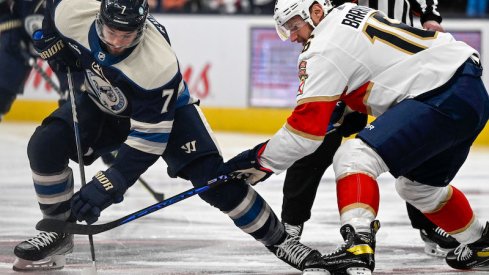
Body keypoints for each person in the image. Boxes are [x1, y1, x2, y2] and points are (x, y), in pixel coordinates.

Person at [11, 0, 334, 273]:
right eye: (111, 32)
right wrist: (49, 41)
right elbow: (50, 16)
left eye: (128, 35)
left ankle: (281, 241)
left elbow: (149, 141)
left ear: (143, 28)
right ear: (99, 19)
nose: (117, 42)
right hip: (102, 100)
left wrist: (110, 183)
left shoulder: (158, 64)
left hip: (168, 115)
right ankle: (57, 231)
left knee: (214, 181)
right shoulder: (73, 11)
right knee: (45, 144)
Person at [221, 0, 489, 274]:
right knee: (417, 188)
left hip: (440, 93)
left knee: (353, 157)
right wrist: (347, 104)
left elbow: (303, 133)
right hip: (471, 92)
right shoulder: (350, 12)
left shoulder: (323, 47)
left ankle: (357, 246)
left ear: (316, 12)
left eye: (294, 26)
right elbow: (377, 65)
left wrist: (256, 162)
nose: (291, 37)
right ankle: (481, 242)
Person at [281, 0, 460, 259]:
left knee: (417, 141)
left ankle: (430, 224)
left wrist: (431, 16)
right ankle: (291, 226)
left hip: (401, 63)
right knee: (318, 138)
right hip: (351, 58)